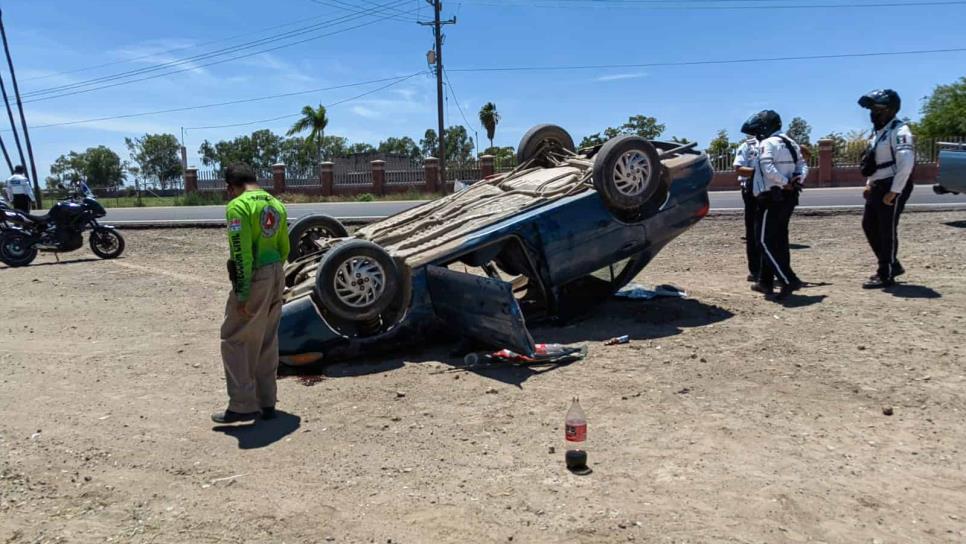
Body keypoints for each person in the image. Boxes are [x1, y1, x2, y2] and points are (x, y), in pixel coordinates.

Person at [212, 164, 290, 424]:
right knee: (266, 339)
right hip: (277, 271)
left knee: (234, 339)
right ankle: (266, 401)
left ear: (230, 187)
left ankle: (243, 405)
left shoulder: (238, 206)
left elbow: (240, 251)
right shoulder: (275, 204)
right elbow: (284, 247)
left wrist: (243, 293)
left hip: (255, 275)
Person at [746, 110, 808, 300]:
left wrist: (783, 182)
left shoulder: (768, 143)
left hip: (771, 197)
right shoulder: (790, 142)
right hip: (788, 197)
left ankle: (788, 279)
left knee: (763, 241)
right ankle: (765, 281)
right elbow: (803, 165)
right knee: (779, 240)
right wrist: (797, 179)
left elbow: (767, 168)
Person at [858, 89, 915, 289]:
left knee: (886, 230)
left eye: (877, 108)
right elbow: (874, 161)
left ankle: (885, 274)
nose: (873, 113)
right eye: (871, 109)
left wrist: (895, 190)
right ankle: (893, 264)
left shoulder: (900, 131)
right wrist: (869, 183)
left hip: (892, 184)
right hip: (878, 183)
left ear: (891, 109)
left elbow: (906, 163)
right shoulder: (879, 132)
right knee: (869, 225)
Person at [734, 128, 760, 283]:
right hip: (751, 192)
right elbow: (740, 169)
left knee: (769, 232)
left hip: (771, 190)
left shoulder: (776, 145)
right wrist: (762, 172)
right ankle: (756, 270)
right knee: (752, 231)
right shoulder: (748, 146)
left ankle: (768, 269)